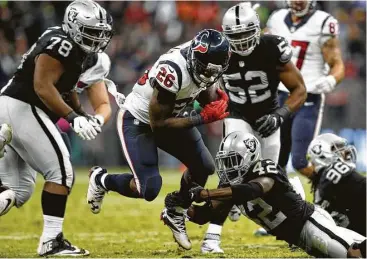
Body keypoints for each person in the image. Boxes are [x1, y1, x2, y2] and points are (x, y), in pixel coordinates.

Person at [86, 29, 231, 250]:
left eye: (214, 71)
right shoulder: (172, 70)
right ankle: (101, 180)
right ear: (195, 58)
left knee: (204, 167)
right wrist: (202, 117)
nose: (209, 75)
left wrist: (216, 101)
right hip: (139, 121)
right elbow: (159, 124)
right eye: (206, 69)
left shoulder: (206, 61)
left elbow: (204, 87)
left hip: (171, 116)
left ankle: (175, 210)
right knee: (149, 189)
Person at [0, 0, 113, 256]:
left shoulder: (83, 56)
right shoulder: (61, 43)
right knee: (61, 172)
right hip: (23, 106)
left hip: (12, 108)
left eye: (100, 33)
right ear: (73, 26)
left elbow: (69, 88)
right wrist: (74, 118)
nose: (97, 38)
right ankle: (51, 241)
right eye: (92, 32)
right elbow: (42, 86)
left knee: (17, 192)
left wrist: (84, 115)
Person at [201, 3, 307, 253]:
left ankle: (299, 228)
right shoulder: (219, 51)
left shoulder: (272, 48)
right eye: (234, 36)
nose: (239, 42)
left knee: (273, 180)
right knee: (230, 171)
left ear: (257, 30)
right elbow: (206, 87)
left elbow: (299, 90)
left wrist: (280, 115)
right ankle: (212, 237)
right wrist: (210, 102)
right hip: (238, 115)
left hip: (269, 117)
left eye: (244, 34)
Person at [164, 131, 366, 258]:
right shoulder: (232, 185)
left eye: (233, 160)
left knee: (354, 253)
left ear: (249, 156)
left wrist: (205, 192)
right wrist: (182, 206)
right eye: (225, 161)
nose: (228, 167)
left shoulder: (264, 168)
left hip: (310, 224)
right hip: (298, 239)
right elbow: (204, 216)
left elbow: (254, 189)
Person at [266, 0, 345, 178]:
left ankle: (336, 188)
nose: (298, 1)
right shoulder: (276, 19)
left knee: (300, 161)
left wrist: (331, 80)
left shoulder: (323, 22)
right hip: (279, 95)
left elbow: (337, 64)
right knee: (275, 159)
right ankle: (281, 201)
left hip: (307, 96)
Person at [307, 133, 366, 236]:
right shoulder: (332, 172)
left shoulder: (324, 180)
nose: (344, 150)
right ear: (320, 153)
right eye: (336, 148)